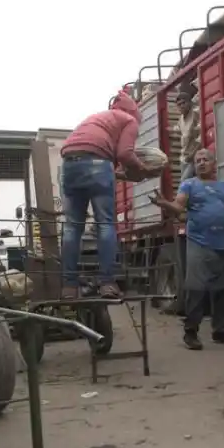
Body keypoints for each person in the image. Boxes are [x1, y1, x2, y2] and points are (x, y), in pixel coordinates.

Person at [59, 90, 154, 299]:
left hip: (69, 164)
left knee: (72, 226)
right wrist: (143, 170)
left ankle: (69, 286)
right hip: (97, 163)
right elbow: (125, 154)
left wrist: (115, 172)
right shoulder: (129, 119)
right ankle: (107, 283)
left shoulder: (99, 119)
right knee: (105, 224)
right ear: (134, 112)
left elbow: (102, 158)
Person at [150, 149, 224, 350]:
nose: (201, 163)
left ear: (214, 163)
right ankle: (190, 332)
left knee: (222, 289)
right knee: (196, 289)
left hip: (222, 244)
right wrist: (165, 203)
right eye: (197, 161)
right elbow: (178, 206)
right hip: (199, 243)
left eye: (205, 160)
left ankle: (220, 331)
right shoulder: (189, 185)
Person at [175, 89, 201, 181]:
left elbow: (201, 137)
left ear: (189, 103)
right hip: (184, 158)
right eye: (179, 104)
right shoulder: (180, 120)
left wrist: (193, 154)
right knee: (190, 185)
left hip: (195, 156)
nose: (182, 106)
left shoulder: (196, 114)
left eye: (183, 103)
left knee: (185, 181)